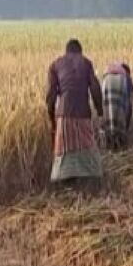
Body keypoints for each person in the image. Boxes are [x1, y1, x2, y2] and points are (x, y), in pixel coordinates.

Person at [47, 39, 104, 186]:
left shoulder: (55, 65)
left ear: (66, 51)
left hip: (63, 115)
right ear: (80, 51)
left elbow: (51, 97)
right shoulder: (86, 63)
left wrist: (52, 120)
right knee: (87, 148)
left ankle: (65, 186)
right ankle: (90, 184)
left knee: (64, 152)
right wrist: (100, 111)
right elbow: (95, 89)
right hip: (83, 114)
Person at [101, 62, 133, 150]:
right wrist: (126, 125)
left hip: (106, 80)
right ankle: (120, 141)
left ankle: (109, 141)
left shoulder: (108, 70)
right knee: (122, 110)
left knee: (108, 110)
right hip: (121, 82)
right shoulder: (126, 76)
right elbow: (129, 101)